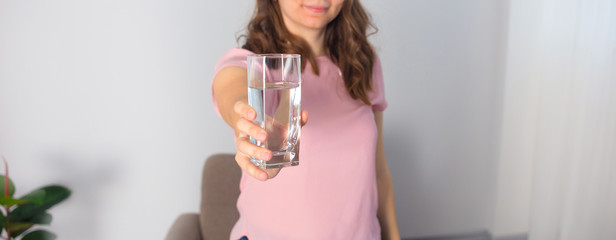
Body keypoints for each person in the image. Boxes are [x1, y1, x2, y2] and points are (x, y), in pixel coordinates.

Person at [212, 0, 400, 239]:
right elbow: (231, 81)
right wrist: (243, 113)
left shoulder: (363, 62)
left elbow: (379, 173)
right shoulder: (260, 65)